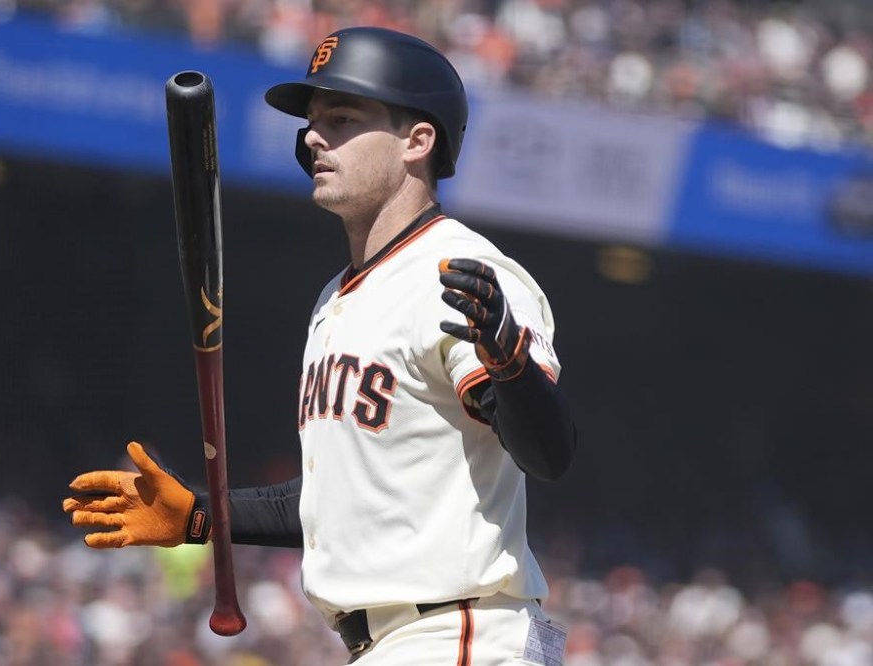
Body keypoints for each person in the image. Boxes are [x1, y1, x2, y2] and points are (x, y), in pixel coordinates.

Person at [63, 26, 577, 665]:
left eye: (342, 118)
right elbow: (330, 497)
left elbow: (549, 454)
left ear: (418, 140)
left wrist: (511, 365)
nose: (312, 137)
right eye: (312, 122)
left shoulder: (460, 270)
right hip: (392, 643)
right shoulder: (336, 297)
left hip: (460, 633)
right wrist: (202, 515)